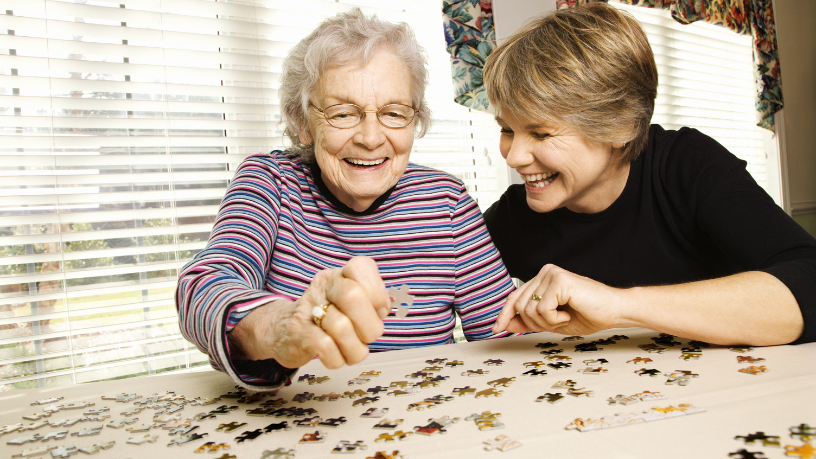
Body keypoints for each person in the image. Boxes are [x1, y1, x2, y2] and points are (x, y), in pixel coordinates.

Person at [175, 9, 514, 390]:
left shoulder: (446, 202)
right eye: (342, 113)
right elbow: (203, 286)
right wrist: (281, 326)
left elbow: (506, 336)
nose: (370, 138)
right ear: (302, 122)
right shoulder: (269, 183)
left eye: (393, 113)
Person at [482, 3, 815, 345]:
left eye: (540, 134)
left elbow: (810, 282)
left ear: (620, 125)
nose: (514, 156)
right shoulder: (511, 219)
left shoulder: (688, 165)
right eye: (507, 129)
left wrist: (619, 305)